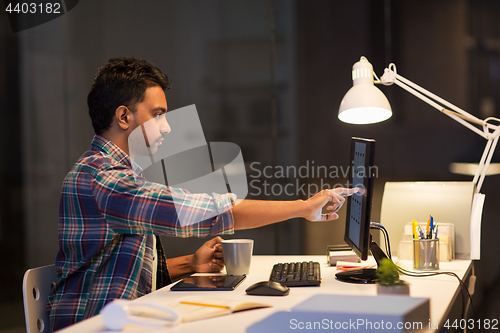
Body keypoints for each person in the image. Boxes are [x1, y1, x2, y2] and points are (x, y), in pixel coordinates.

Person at [47, 57, 358, 331]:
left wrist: (191, 264)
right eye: (158, 115)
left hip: (123, 317)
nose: (166, 127)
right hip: (96, 325)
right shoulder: (104, 179)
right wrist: (303, 207)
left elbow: (117, 266)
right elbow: (209, 212)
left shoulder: (119, 174)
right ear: (124, 117)